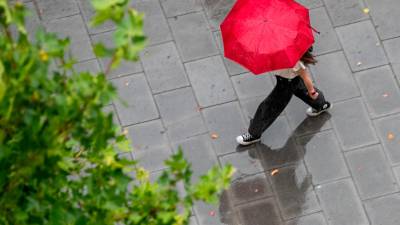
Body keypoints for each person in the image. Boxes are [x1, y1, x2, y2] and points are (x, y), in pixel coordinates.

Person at [236, 47, 331, 146]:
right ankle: (321, 104)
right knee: (301, 90)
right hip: (290, 80)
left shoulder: (295, 62)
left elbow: (306, 77)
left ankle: (253, 134)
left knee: (268, 107)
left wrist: (312, 91)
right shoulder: (278, 52)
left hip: (285, 85)